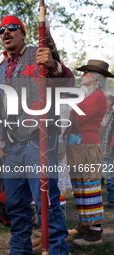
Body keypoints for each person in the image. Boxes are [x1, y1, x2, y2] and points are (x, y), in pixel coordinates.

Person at [0, 15, 74, 254]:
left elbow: (68, 85)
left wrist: (54, 66)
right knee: (15, 205)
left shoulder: (39, 54)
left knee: (46, 203)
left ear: (23, 33)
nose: (5, 33)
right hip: (12, 146)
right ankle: (20, 250)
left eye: (11, 28)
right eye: (1, 30)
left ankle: (58, 250)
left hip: (38, 140)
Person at [67, 60, 113, 246]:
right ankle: (84, 226)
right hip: (79, 146)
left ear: (96, 78)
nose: (83, 74)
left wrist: (68, 108)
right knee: (80, 187)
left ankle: (95, 235)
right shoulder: (89, 96)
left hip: (89, 147)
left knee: (91, 188)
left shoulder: (99, 97)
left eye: (87, 72)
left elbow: (77, 116)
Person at [99, 95, 114, 209]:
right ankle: (97, 201)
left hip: (109, 150)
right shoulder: (100, 115)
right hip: (98, 148)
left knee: (109, 176)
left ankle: (112, 200)